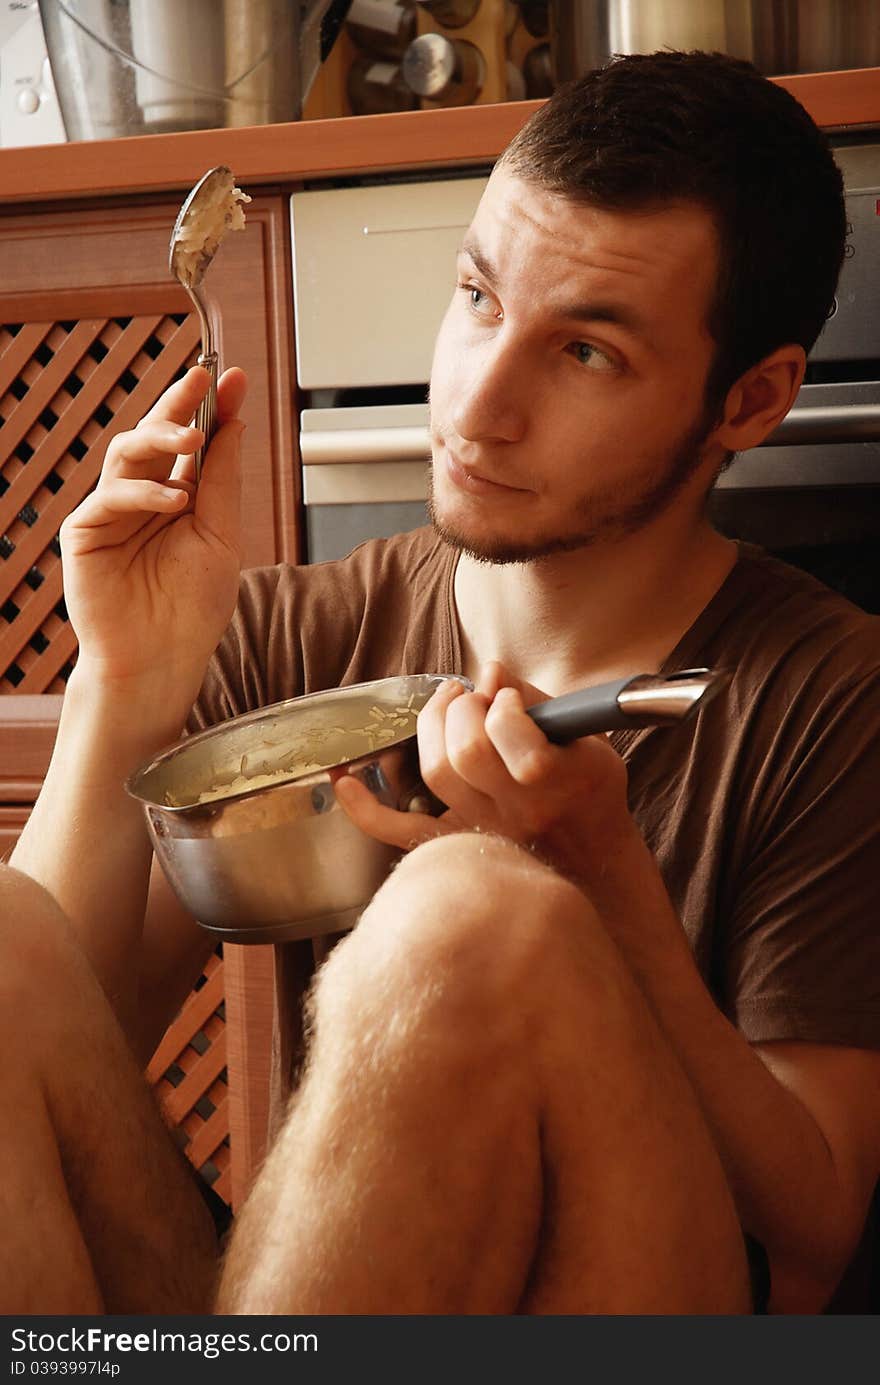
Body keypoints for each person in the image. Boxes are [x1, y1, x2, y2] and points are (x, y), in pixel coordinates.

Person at [8, 50, 880, 1315]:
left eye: (583, 353)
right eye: (477, 296)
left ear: (749, 400)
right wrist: (124, 685)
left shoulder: (833, 696)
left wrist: (602, 886)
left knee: (475, 908)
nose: (475, 405)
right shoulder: (288, 637)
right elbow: (48, 1060)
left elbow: (815, 1227)